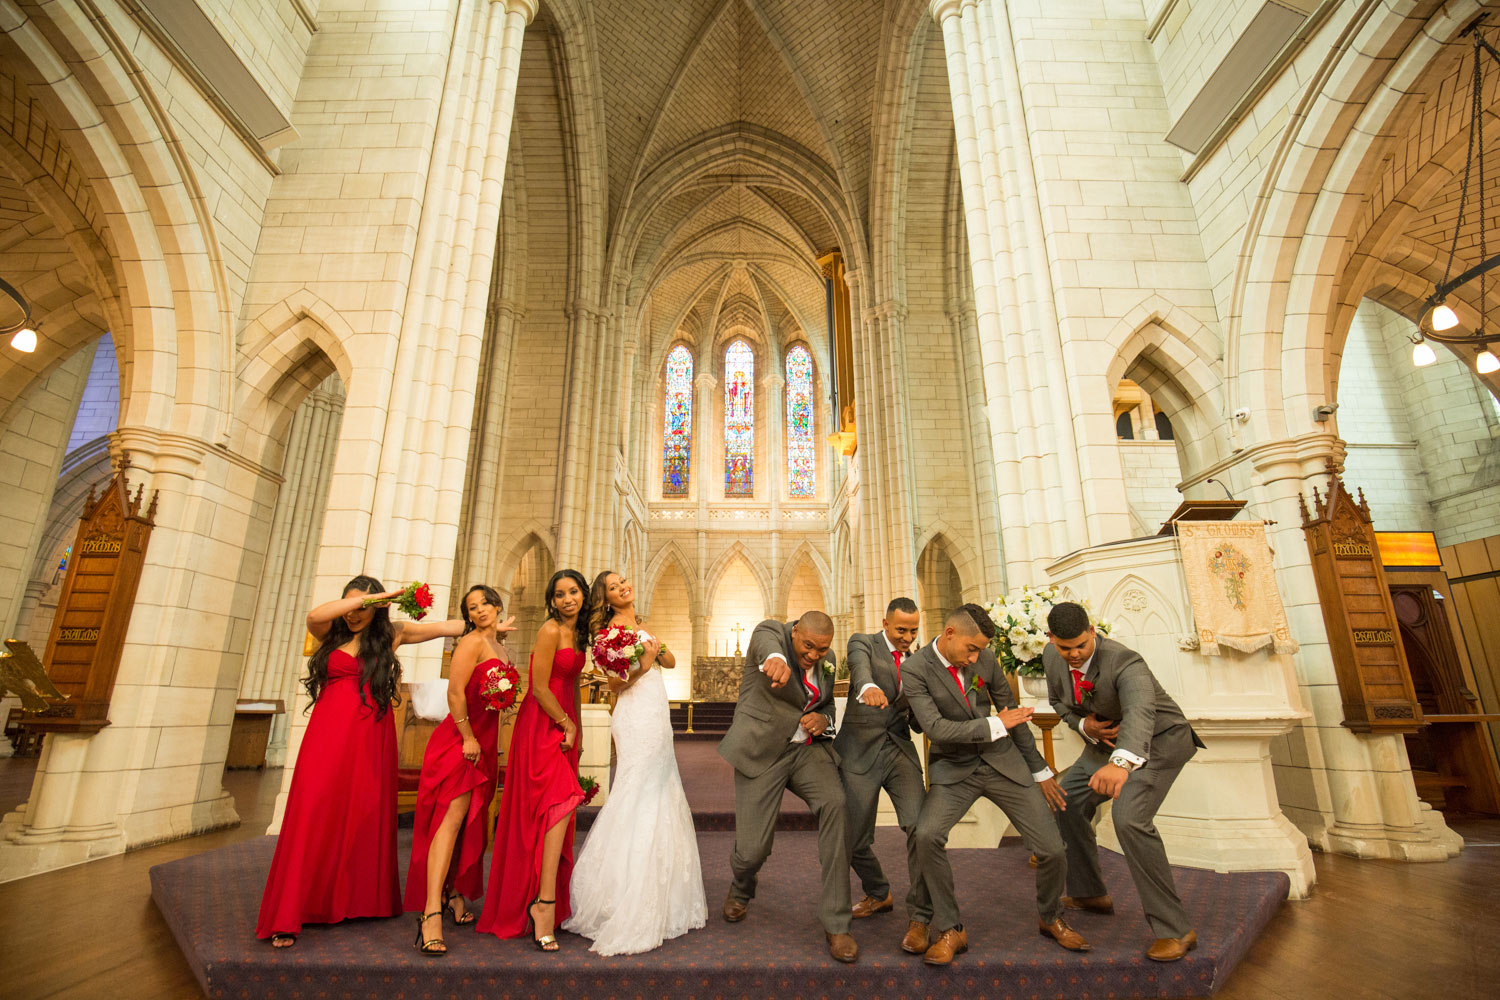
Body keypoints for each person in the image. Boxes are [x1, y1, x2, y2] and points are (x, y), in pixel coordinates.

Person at [256, 575, 468, 947]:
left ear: (379, 611)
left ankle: (358, 901)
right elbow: (316, 613)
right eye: (351, 606)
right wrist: (372, 599)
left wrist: (487, 623)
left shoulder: (391, 635)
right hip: (327, 735)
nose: (355, 614)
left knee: (362, 811)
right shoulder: (330, 633)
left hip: (372, 735)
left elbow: (450, 627)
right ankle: (290, 912)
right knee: (312, 810)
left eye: (363, 608)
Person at [901, 603, 1088, 966]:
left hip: (1003, 763)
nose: (975, 657)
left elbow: (1013, 717)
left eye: (981, 650)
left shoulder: (985, 661)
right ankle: (951, 928)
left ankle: (1050, 917)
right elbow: (936, 729)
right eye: (971, 648)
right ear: (950, 633)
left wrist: (1040, 772)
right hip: (954, 769)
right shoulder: (915, 669)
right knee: (927, 836)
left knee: (1052, 848)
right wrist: (993, 724)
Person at [1043, 601, 1204, 962]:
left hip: (1157, 742)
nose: (1073, 654)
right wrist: (1085, 725)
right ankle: (1089, 893)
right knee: (1065, 801)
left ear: (1093, 633)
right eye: (1064, 647)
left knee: (1129, 819)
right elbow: (1059, 702)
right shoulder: (1052, 657)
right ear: (1051, 639)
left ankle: (1175, 929)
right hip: (1106, 743)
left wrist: (1121, 763)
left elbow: (1140, 712)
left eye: (1081, 646)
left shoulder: (1124, 661)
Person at [561, 571, 706, 954]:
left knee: (663, 786)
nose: (624, 585)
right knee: (635, 789)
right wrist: (643, 661)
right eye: (614, 586)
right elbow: (614, 683)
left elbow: (670, 661)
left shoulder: (640, 624)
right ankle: (621, 891)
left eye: (625, 580)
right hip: (635, 713)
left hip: (656, 711)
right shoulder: (608, 633)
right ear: (606, 599)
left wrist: (656, 649)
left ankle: (666, 889)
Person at [718, 611, 858, 964]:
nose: (813, 655)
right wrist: (777, 659)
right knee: (751, 851)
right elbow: (767, 643)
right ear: (795, 632)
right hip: (763, 749)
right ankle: (742, 886)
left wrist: (823, 718)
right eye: (807, 646)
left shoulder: (829, 660)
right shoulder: (771, 636)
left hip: (807, 752)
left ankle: (837, 923)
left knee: (836, 805)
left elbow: (826, 705)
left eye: (821, 650)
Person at [476, 569, 591, 950]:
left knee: (558, 807)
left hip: (564, 721)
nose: (566, 600)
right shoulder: (550, 631)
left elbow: (571, 685)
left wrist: (578, 732)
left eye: (573, 592)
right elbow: (539, 686)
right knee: (556, 803)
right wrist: (565, 725)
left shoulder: (580, 634)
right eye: (559, 595)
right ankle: (542, 904)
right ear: (551, 600)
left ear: (583, 594)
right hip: (541, 722)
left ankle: (545, 900)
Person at [404, 585, 517, 955]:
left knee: (470, 823)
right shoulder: (470, 643)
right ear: (467, 615)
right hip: (460, 742)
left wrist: (498, 631)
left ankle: (454, 894)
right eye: (472, 607)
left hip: (483, 744)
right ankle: (431, 911)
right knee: (450, 822)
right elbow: (455, 692)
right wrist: (468, 737)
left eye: (486, 603)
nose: (480, 610)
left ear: (498, 606)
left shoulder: (498, 646)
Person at [833, 597, 925, 919]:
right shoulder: (864, 643)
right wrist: (868, 685)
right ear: (886, 624)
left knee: (920, 827)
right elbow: (860, 669)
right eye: (901, 629)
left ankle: (921, 912)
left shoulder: (918, 661)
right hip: (860, 750)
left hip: (899, 749)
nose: (907, 637)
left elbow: (916, 718)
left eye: (913, 631)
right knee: (854, 837)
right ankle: (878, 892)